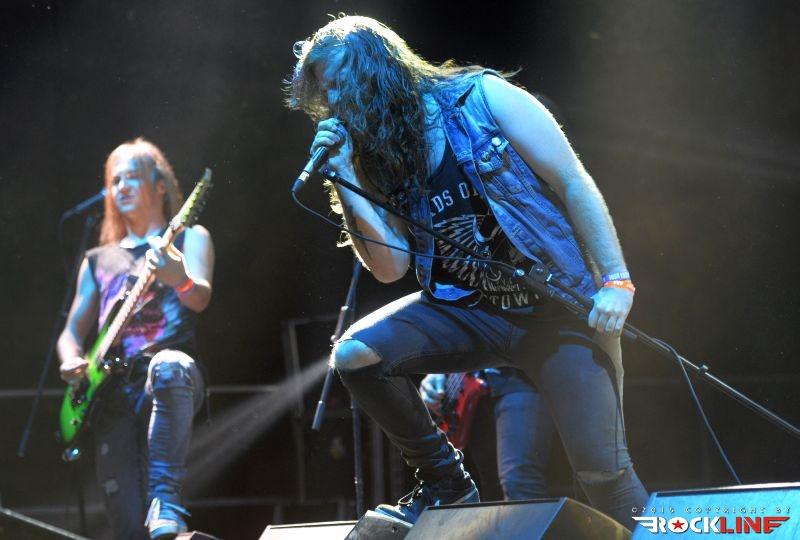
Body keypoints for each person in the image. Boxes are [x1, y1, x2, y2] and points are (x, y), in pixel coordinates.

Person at [287, 15, 648, 529]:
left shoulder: (483, 98)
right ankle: (446, 483)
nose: (335, 99)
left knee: (604, 478)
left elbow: (572, 180)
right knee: (354, 354)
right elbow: (390, 268)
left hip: (555, 311)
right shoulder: (376, 155)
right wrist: (346, 176)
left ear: (377, 65)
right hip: (470, 312)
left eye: (340, 81)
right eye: (326, 92)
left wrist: (615, 279)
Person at [57, 138, 214, 539]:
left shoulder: (190, 238)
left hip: (169, 379)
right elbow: (72, 332)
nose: (121, 187)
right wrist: (72, 360)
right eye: (115, 180)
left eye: (132, 177)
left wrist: (180, 279)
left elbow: (199, 299)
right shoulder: (97, 260)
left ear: (160, 185)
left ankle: (166, 500)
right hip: (111, 394)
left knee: (169, 365)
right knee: (126, 525)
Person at [419, 368, 555, 502]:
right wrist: (442, 369)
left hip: (517, 377)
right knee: (492, 491)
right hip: (477, 389)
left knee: (518, 482)